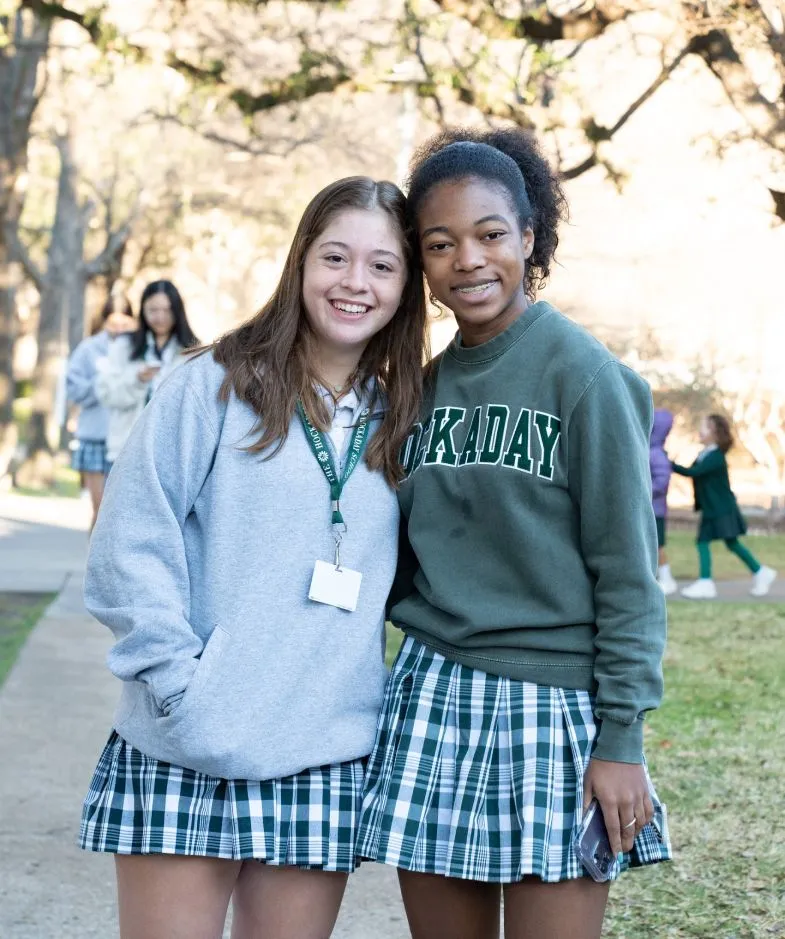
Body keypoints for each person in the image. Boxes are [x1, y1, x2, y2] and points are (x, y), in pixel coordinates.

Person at [79, 176, 429, 939]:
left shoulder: (401, 419)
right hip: (187, 742)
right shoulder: (208, 386)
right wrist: (179, 690)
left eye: (381, 265)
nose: (354, 282)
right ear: (300, 261)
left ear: (406, 286)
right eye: (335, 256)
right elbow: (126, 548)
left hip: (322, 753)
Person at [356, 128, 672, 939]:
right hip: (432, 696)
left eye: (490, 234)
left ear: (528, 238)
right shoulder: (419, 390)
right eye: (440, 243)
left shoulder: (587, 378)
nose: (468, 259)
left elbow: (628, 576)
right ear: (420, 264)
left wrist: (621, 740)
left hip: (551, 707)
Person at [673, 413, 777, 599]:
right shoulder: (705, 454)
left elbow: (693, 472)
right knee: (729, 543)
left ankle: (707, 583)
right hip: (713, 508)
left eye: (704, 427)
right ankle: (761, 572)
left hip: (721, 508)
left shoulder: (715, 457)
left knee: (708, 541)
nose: (700, 431)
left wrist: (668, 464)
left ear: (714, 433)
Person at [95, 279, 199, 465]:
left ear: (177, 310)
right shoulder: (123, 346)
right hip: (125, 450)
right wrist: (138, 380)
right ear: (142, 310)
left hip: (171, 456)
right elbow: (106, 394)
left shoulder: (193, 353)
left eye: (167, 310)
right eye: (153, 310)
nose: (160, 317)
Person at [66, 294, 136, 529]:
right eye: (113, 323)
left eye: (124, 323)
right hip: (96, 437)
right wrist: (102, 385)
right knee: (101, 510)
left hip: (127, 440)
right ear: (105, 321)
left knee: (120, 513)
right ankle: (94, 564)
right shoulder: (89, 349)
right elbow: (73, 388)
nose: (118, 329)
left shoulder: (138, 348)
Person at [650, 408, 677, 595]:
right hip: (649, 509)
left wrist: (643, 491)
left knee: (657, 546)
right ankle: (657, 578)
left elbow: (662, 481)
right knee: (650, 546)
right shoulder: (648, 450)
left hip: (655, 510)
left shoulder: (656, 453)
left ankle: (667, 578)